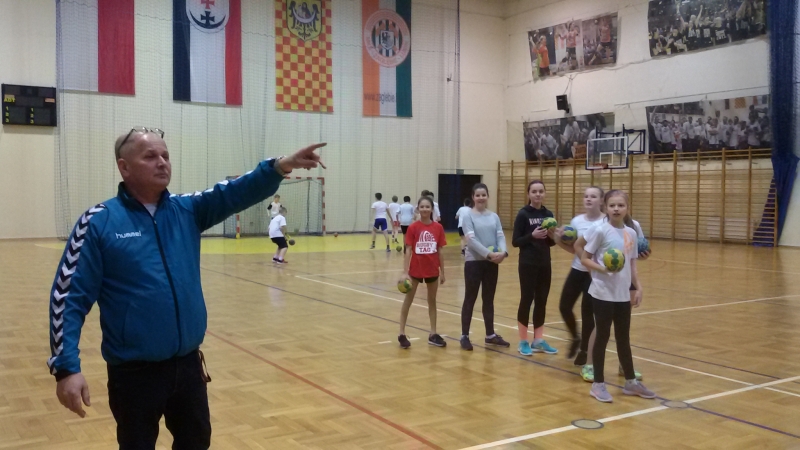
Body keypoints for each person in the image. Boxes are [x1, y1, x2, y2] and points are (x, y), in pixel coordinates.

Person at [47, 126, 325, 448]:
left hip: (189, 366)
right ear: (124, 167)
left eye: (165, 155)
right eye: (150, 156)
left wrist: (279, 166)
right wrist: (66, 369)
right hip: (134, 374)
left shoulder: (187, 209)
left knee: (196, 442)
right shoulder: (98, 222)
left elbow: (233, 192)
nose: (162, 162)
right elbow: (68, 299)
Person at [581, 190, 655, 403]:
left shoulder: (631, 233)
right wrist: (602, 269)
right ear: (605, 207)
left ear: (627, 208)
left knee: (623, 338)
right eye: (612, 205)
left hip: (622, 294)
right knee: (602, 337)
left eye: (620, 205)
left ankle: (631, 382)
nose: (616, 209)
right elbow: (585, 258)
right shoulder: (600, 231)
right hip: (602, 293)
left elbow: (632, 264)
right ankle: (598, 385)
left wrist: (638, 287)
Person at [555, 186, 605, 382]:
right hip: (577, 270)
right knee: (564, 306)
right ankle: (575, 337)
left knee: (587, 314)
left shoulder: (605, 222)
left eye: (593, 196)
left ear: (601, 201)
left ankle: (585, 350)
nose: (588, 199)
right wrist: (557, 239)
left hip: (594, 273)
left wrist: (588, 260)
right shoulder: (577, 221)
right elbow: (573, 248)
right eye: (586, 196)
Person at [460, 183, 509, 351]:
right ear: (473, 197)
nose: (481, 198)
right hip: (474, 262)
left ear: (488, 196)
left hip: (491, 263)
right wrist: (489, 254)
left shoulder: (494, 216)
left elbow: (500, 236)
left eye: (483, 195)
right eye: (478, 195)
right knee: (470, 298)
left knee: (488, 299)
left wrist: (503, 252)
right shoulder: (468, 216)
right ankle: (464, 336)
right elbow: (471, 241)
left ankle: (490, 335)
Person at [512, 180, 557, 356]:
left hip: (544, 263)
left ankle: (538, 340)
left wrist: (553, 236)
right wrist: (532, 235)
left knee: (542, 300)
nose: (538, 194)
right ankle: (523, 341)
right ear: (528, 194)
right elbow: (515, 241)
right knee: (527, 299)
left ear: (544, 193)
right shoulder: (523, 214)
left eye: (541, 191)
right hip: (527, 263)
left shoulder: (548, 214)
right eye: (534, 191)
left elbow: (551, 243)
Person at [398, 196, 447, 349]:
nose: (425, 209)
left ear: (432, 209)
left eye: (427, 206)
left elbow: (440, 251)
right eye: (422, 206)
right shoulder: (413, 227)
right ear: (418, 209)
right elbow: (408, 250)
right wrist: (405, 272)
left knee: (432, 301)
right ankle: (401, 333)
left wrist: (442, 271)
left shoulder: (438, 228)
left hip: (432, 270)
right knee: (408, 300)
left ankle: (433, 334)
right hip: (415, 270)